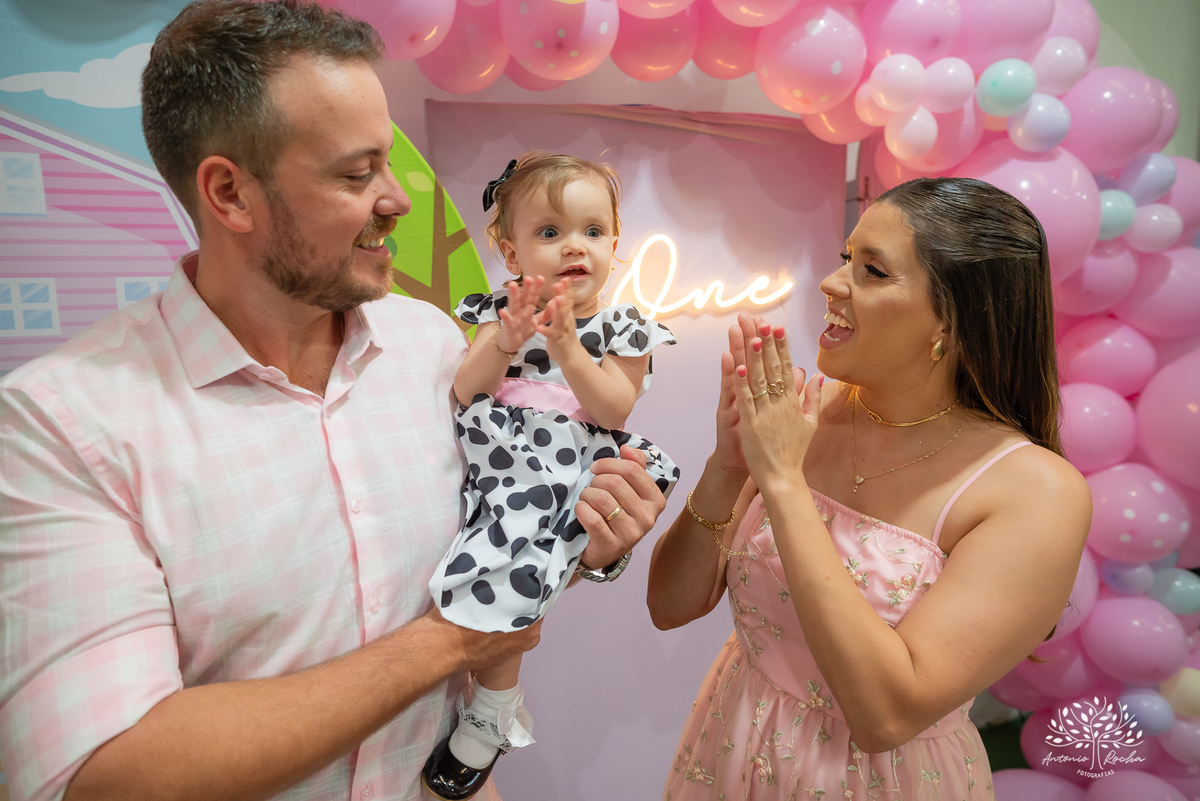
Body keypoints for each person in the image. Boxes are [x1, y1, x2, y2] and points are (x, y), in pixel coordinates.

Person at [0, 3, 666, 800]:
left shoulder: (427, 344)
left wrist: (596, 540)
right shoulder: (61, 425)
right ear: (230, 194)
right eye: (357, 174)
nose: (398, 199)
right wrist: (453, 639)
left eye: (389, 163)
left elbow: (504, 498)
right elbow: (102, 776)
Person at [646, 177, 1092, 800]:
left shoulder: (1033, 491)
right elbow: (668, 607)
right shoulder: (808, 415)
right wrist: (728, 467)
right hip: (733, 746)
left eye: (873, 271)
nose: (832, 285)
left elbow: (886, 716)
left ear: (953, 319)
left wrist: (781, 482)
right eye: (844, 260)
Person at [421, 152, 680, 800]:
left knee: (512, 582)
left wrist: (566, 342)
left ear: (615, 246)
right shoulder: (500, 312)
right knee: (483, 577)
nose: (576, 247)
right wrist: (506, 339)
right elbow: (464, 388)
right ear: (509, 251)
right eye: (550, 232)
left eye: (593, 232)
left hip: (566, 471)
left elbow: (613, 407)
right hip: (502, 464)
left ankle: (493, 707)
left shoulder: (621, 327)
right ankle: (495, 703)